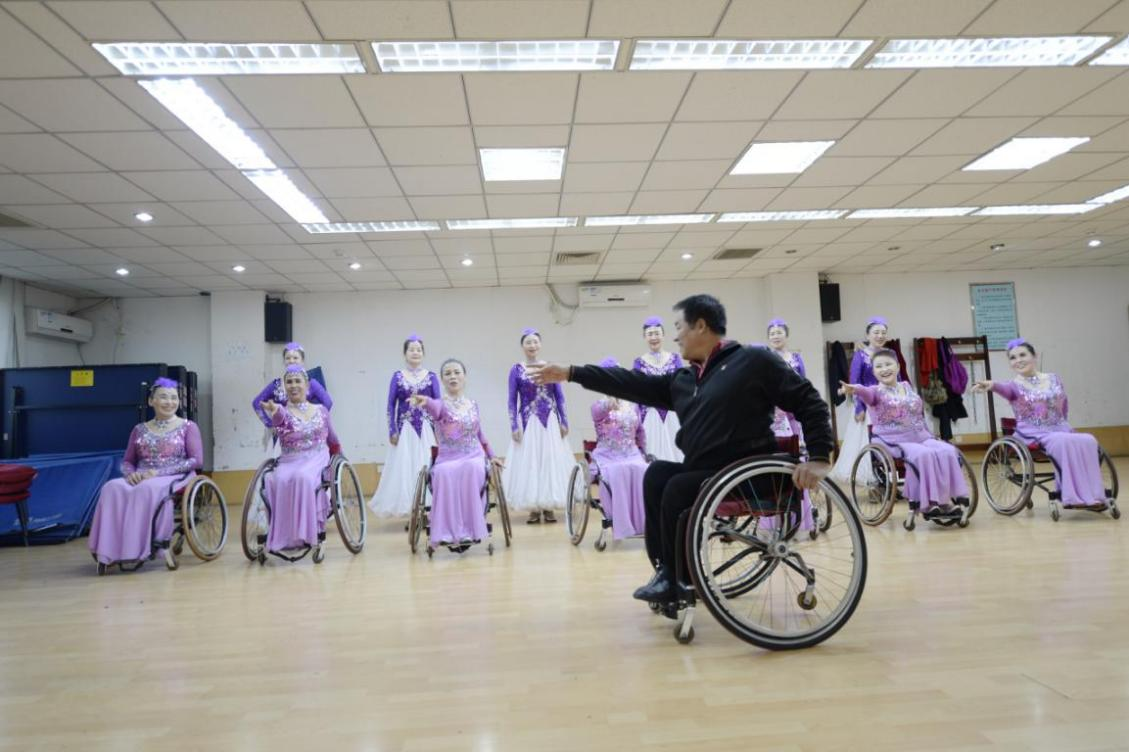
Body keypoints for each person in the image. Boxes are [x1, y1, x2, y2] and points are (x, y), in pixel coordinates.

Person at [529, 294, 833, 604]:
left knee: (677, 486)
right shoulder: (686, 379)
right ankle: (667, 572)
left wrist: (820, 456)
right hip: (708, 473)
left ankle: (676, 579)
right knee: (657, 474)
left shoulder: (753, 361)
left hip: (749, 475)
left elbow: (809, 401)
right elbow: (630, 382)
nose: (675, 337)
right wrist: (572, 372)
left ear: (700, 326)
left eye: (678, 327)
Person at [972, 338, 1108, 509]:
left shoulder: (1054, 379)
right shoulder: (1014, 386)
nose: (1018, 360)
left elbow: (1064, 405)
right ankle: (1072, 496)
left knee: (1088, 439)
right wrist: (991, 385)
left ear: (1034, 356)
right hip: (1033, 433)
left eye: (1023, 355)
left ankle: (1093, 493)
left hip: (1060, 428)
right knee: (1062, 441)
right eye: (1013, 358)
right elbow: (1002, 388)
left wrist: (1064, 426)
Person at [88, 378, 203, 572]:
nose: (169, 402)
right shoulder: (139, 429)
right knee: (112, 488)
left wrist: (158, 472)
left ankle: (150, 545)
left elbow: (197, 461)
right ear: (151, 401)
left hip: (175, 475)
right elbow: (127, 461)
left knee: (148, 489)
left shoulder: (188, 427)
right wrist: (130, 474)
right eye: (163, 397)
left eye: (174, 398)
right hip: (142, 475)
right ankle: (110, 549)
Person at [840, 349, 970, 518]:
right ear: (874, 371)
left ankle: (947, 499)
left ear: (898, 366)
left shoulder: (907, 387)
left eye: (888, 364)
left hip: (920, 436)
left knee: (948, 451)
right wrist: (856, 389)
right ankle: (927, 503)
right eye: (879, 366)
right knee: (923, 454)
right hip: (891, 439)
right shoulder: (875, 391)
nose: (884, 369)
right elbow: (865, 392)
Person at [410, 359, 503, 551]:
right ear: (442, 379)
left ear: (464, 377)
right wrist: (426, 402)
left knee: (472, 468)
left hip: (473, 455)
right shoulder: (440, 404)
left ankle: (470, 528)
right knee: (442, 472)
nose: (453, 376)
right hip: (448, 458)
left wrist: (492, 455)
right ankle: (447, 531)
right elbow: (435, 408)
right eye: (448, 373)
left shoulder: (473, 404)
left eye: (457, 372)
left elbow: (480, 434)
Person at [260, 364, 341, 557]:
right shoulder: (283, 411)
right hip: (290, 459)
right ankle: (285, 537)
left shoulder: (321, 410)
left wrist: (338, 457)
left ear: (307, 385)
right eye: (289, 382)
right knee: (277, 479)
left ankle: (307, 534)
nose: (293, 385)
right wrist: (275, 410)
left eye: (298, 381)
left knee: (302, 477)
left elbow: (333, 438)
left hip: (316, 457)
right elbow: (280, 419)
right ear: (285, 386)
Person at [502, 328, 573, 524]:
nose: (532, 345)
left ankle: (549, 505)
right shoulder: (516, 370)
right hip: (528, 422)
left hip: (550, 421)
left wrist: (564, 421)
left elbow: (559, 397)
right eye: (528, 342)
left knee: (550, 460)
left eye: (535, 342)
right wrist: (513, 425)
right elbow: (511, 400)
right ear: (522, 346)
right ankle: (533, 507)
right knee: (530, 461)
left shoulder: (550, 367)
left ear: (540, 345)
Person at [371, 335, 440, 516]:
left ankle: (430, 506)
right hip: (405, 430)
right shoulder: (397, 376)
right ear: (405, 353)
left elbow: (438, 404)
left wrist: (440, 431)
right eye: (411, 349)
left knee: (427, 463)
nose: (415, 352)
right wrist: (392, 430)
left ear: (423, 353)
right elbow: (390, 404)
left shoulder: (431, 376)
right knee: (405, 467)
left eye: (419, 349)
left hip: (427, 430)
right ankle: (411, 507)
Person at [590, 357, 648, 541]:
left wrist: (643, 450)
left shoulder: (633, 404)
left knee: (642, 469)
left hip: (631, 453)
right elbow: (600, 412)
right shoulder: (598, 406)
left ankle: (643, 524)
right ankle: (622, 524)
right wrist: (611, 399)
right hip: (608, 455)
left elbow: (640, 430)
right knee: (616, 472)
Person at [633, 317, 684, 462]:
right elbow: (637, 391)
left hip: (673, 414)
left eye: (657, 333)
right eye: (650, 334)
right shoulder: (639, 363)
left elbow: (682, 386)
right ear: (644, 337)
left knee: (678, 453)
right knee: (653, 454)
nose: (654, 337)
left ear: (663, 335)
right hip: (651, 415)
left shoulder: (675, 359)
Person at [251, 342, 332, 430]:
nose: (291, 361)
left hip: (305, 432)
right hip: (284, 432)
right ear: (284, 361)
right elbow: (256, 403)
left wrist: (315, 422)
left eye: (295, 358)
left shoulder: (311, 383)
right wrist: (270, 424)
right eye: (288, 358)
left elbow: (328, 402)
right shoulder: (276, 385)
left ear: (302, 360)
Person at [765, 318, 807, 442]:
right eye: (772, 334)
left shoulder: (796, 358)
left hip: (794, 410)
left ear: (786, 335)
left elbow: (803, 384)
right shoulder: (765, 358)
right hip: (774, 412)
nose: (775, 336)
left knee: (796, 444)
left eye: (779, 333)